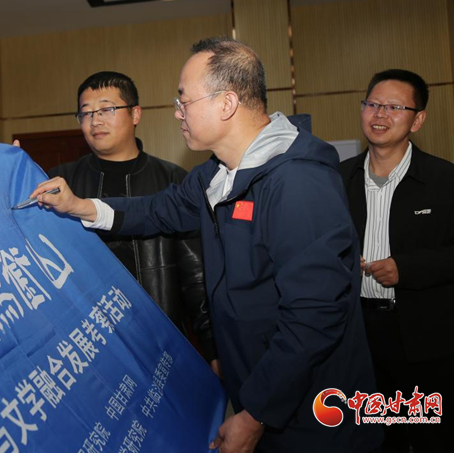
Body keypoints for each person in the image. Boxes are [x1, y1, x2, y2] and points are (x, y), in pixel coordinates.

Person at [27, 37, 382, 453]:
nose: (178, 112)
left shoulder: (298, 182)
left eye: (184, 100)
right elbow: (156, 210)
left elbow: (314, 317)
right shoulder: (216, 174)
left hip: (314, 413)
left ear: (226, 103)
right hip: (261, 392)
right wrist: (79, 206)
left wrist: (255, 414)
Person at [48, 71, 218, 372]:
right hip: (88, 344)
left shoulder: (172, 181)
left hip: (159, 339)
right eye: (86, 113)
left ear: (136, 114)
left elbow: (196, 276)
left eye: (106, 109)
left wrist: (212, 349)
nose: (95, 121)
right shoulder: (62, 182)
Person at [339, 69, 454, 452]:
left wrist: (405, 269)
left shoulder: (446, 181)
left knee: (432, 439)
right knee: (372, 440)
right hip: (356, 335)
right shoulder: (336, 180)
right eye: (373, 104)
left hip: (423, 337)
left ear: (418, 119)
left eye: (394, 107)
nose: (380, 114)